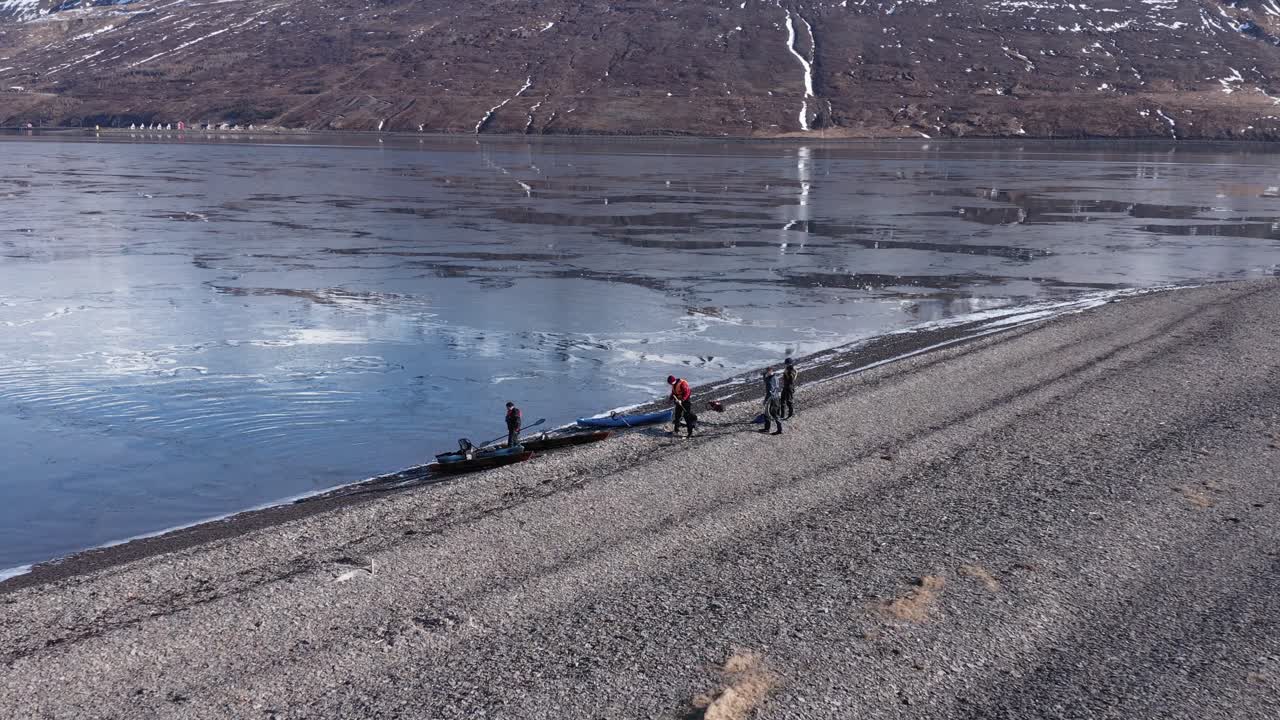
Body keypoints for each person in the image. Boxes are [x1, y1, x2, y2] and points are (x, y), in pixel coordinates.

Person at [760, 367, 783, 435]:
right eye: (766, 372)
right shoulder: (770, 377)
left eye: (767, 372)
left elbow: (772, 391)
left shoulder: (773, 379)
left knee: (773, 414)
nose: (767, 373)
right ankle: (767, 428)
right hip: (773, 398)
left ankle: (779, 430)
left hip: (773, 399)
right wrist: (764, 375)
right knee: (767, 413)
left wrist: (766, 400)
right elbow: (766, 381)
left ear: (771, 371)